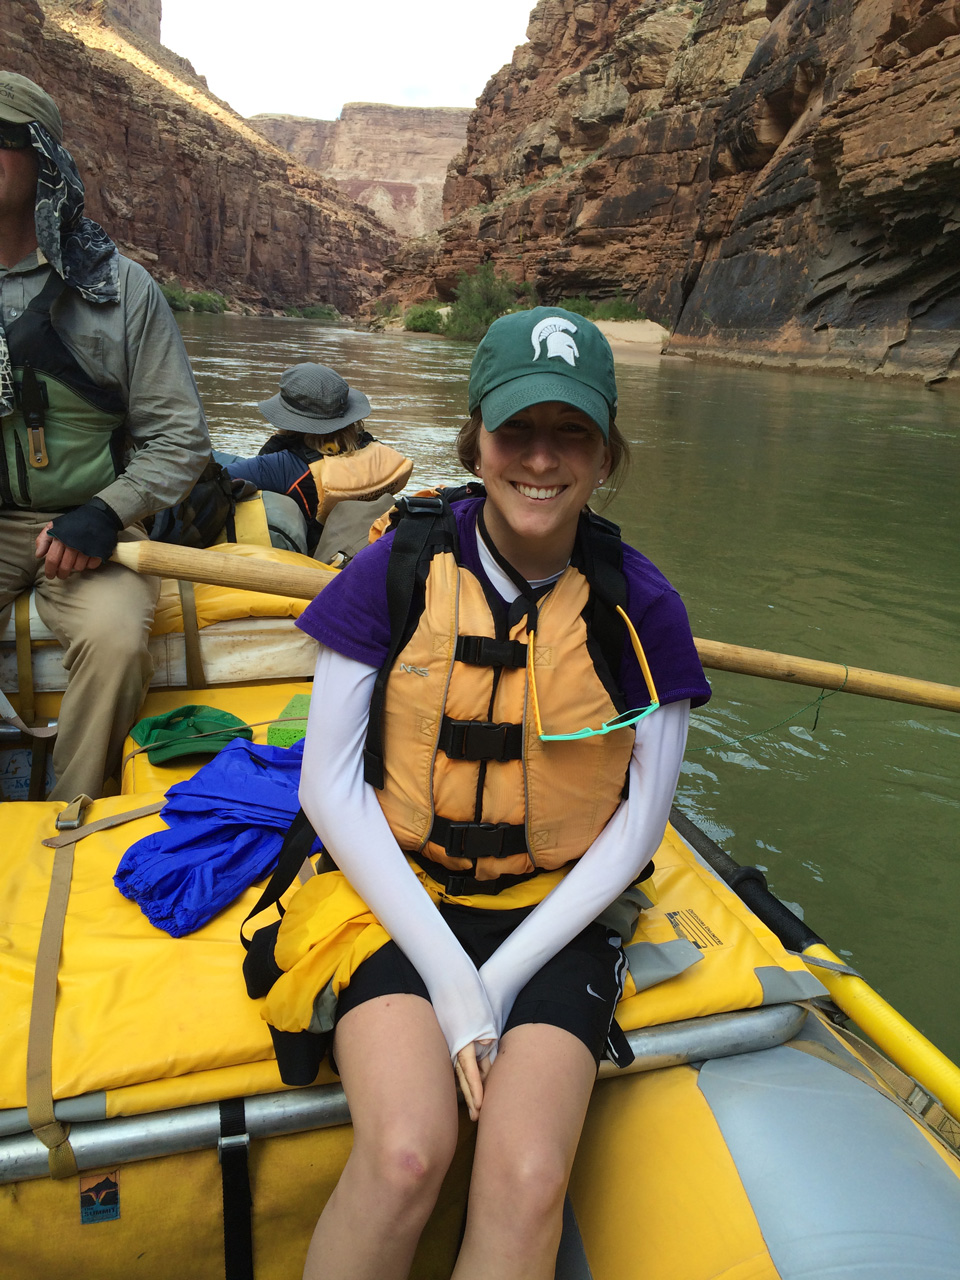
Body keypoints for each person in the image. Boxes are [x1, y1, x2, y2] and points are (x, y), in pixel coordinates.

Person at [274, 308, 711, 1279]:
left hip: (548, 914)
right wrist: (453, 979)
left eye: (573, 435)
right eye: (518, 431)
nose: (542, 461)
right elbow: (328, 784)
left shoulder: (642, 607)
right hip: (394, 897)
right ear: (475, 440)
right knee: (404, 1154)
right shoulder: (397, 567)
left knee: (523, 1177)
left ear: (607, 455)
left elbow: (639, 827)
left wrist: (499, 980)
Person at [0, 72, 210, 800]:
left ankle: (71, 817)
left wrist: (104, 512)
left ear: (44, 160)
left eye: (2, 137)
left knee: (120, 640)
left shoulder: (124, 290)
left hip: (97, 528)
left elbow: (180, 439)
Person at [217, 361, 413, 556]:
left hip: (315, 560)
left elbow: (216, 479)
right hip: (372, 547)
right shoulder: (368, 446)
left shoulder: (281, 466)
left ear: (291, 419)